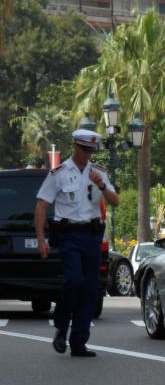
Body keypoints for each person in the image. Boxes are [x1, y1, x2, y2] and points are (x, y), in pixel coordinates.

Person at [35, 129, 119, 357]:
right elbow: (42, 205)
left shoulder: (98, 172)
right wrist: (41, 239)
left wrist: (101, 185)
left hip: (91, 236)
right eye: (83, 149)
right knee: (74, 281)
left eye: (90, 150)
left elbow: (115, 202)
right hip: (69, 235)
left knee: (91, 289)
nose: (86, 155)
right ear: (74, 146)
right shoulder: (59, 173)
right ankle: (61, 327)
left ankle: (79, 342)